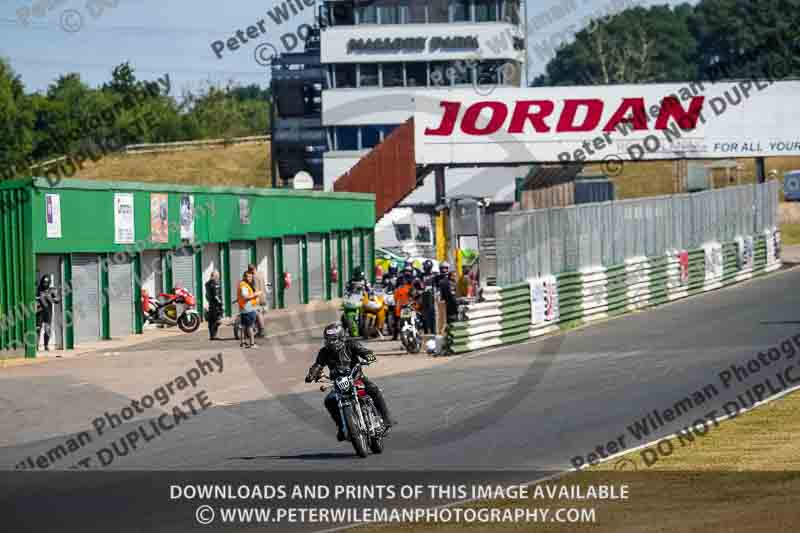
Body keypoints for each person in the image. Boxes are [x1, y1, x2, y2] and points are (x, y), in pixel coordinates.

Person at [304, 322, 396, 441]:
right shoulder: (324, 352)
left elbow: (363, 351)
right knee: (329, 401)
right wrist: (312, 374)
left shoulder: (351, 344)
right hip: (338, 382)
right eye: (328, 340)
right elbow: (318, 364)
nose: (330, 342)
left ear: (341, 337)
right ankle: (342, 427)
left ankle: (387, 419)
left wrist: (368, 355)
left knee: (374, 389)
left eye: (333, 339)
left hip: (357, 377)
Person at [238, 270, 263, 348]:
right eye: (249, 277)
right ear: (245, 277)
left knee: (243, 326)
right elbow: (245, 296)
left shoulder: (243, 284)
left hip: (243, 308)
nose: (251, 278)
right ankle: (252, 344)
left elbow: (242, 296)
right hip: (248, 308)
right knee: (250, 326)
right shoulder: (244, 285)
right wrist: (256, 294)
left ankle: (243, 342)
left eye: (251, 277)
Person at [36, 275, 60, 351]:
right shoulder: (38, 290)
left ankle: (46, 346)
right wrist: (39, 298)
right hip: (39, 312)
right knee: (37, 329)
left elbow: (58, 299)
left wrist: (51, 298)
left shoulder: (52, 290)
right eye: (44, 282)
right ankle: (36, 346)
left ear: (49, 282)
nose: (45, 284)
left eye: (46, 282)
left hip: (48, 313)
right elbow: (32, 298)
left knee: (47, 329)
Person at [437, 262, 459, 335]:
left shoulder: (444, 281)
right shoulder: (448, 283)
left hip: (446, 306)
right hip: (450, 306)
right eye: (454, 275)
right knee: (452, 323)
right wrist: (458, 302)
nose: (455, 277)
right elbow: (451, 296)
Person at [247, 264, 267, 338]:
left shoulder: (254, 277)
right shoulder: (261, 274)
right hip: (263, 296)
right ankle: (260, 330)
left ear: (251, 270)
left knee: (258, 313)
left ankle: (261, 330)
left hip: (258, 297)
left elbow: (255, 288)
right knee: (259, 313)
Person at [204, 271, 223, 341]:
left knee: (211, 320)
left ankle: (212, 335)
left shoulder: (207, 283)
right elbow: (216, 295)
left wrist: (209, 300)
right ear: (215, 276)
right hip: (216, 304)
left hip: (211, 304)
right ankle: (214, 335)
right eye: (218, 276)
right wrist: (220, 303)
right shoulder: (214, 284)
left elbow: (206, 295)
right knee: (217, 320)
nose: (218, 277)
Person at [420, 259, 437, 335]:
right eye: (425, 267)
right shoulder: (421, 275)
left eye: (427, 267)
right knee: (424, 316)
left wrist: (432, 290)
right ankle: (426, 331)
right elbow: (416, 284)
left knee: (432, 315)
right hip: (423, 298)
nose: (426, 268)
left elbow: (437, 286)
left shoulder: (434, 275)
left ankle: (433, 331)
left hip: (432, 299)